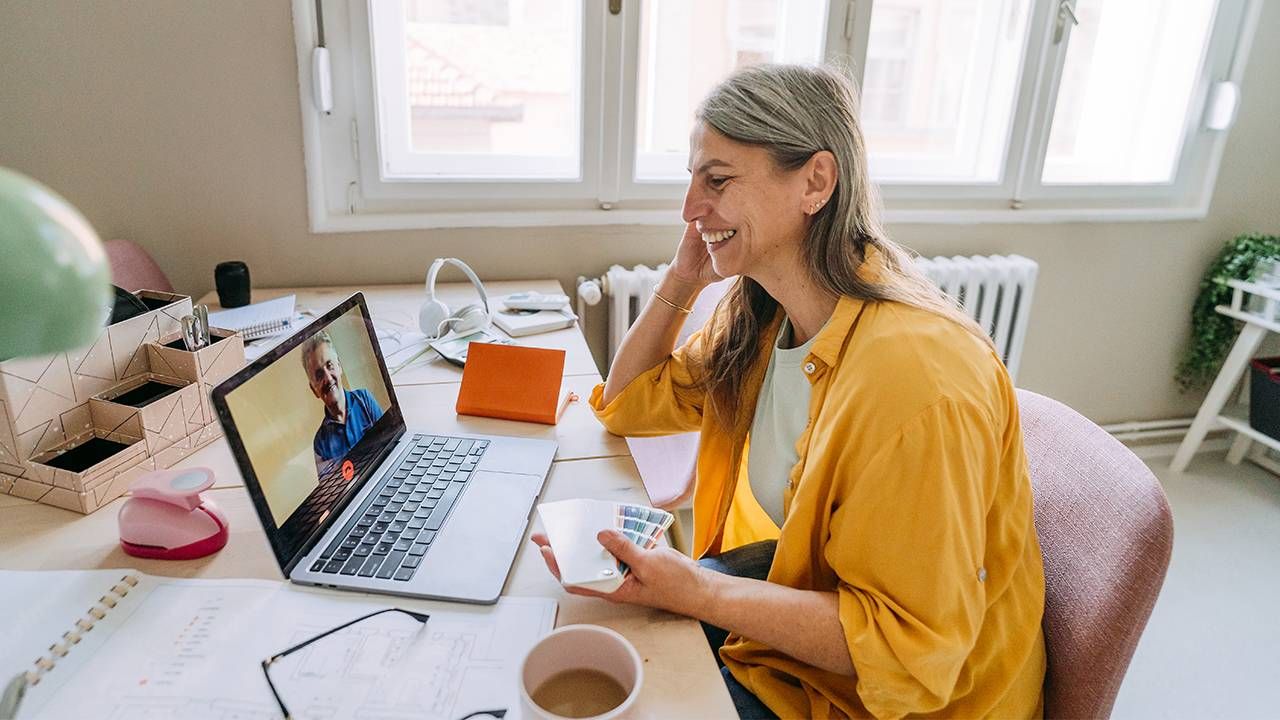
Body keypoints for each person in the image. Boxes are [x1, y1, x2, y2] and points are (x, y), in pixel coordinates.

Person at [532, 64, 1046, 719]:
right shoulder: (767, 313)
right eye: (691, 180)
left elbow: (912, 660)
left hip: (901, 699)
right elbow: (628, 406)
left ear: (815, 181)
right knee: (589, 634)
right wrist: (684, 275)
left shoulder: (916, 379)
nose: (689, 208)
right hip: (806, 614)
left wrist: (701, 592)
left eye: (716, 181)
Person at [301, 331, 384, 468]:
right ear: (314, 389)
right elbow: (333, 486)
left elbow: (390, 442)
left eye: (330, 365)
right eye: (319, 375)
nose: (328, 378)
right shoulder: (320, 445)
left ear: (339, 366)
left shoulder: (365, 399)